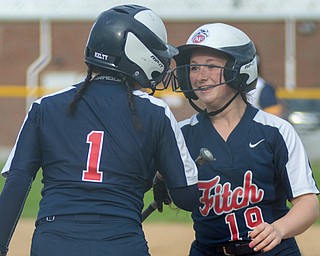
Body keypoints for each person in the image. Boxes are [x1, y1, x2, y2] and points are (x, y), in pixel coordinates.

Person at [0, 5, 199, 256]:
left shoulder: (44, 106)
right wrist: (161, 180)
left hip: (54, 241)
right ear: (138, 52)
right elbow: (187, 198)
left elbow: (17, 183)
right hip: (121, 241)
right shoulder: (156, 112)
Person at [166, 23, 319, 255]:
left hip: (273, 250)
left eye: (211, 66)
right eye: (194, 68)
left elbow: (308, 204)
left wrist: (278, 229)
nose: (200, 76)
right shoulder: (180, 134)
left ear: (239, 70)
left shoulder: (275, 130)